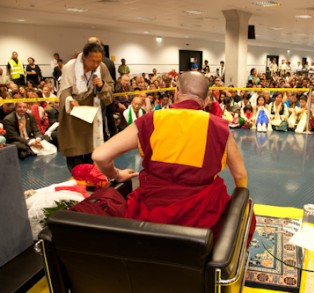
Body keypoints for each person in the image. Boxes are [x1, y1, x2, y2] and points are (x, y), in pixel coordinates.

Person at [92, 71, 255, 242]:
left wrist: (116, 175)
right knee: (244, 212)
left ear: (176, 92)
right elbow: (240, 175)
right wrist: (242, 202)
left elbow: (100, 156)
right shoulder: (219, 127)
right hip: (202, 221)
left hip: (152, 216)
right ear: (207, 100)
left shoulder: (152, 120)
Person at [58, 41, 114, 172]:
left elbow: (110, 89)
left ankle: (93, 180)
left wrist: (101, 85)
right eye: (92, 61)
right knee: (75, 154)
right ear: (84, 57)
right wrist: (69, 100)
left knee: (93, 152)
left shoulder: (102, 68)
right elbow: (63, 90)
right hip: (73, 112)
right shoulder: (70, 67)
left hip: (93, 113)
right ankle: (78, 179)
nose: (95, 64)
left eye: (98, 61)